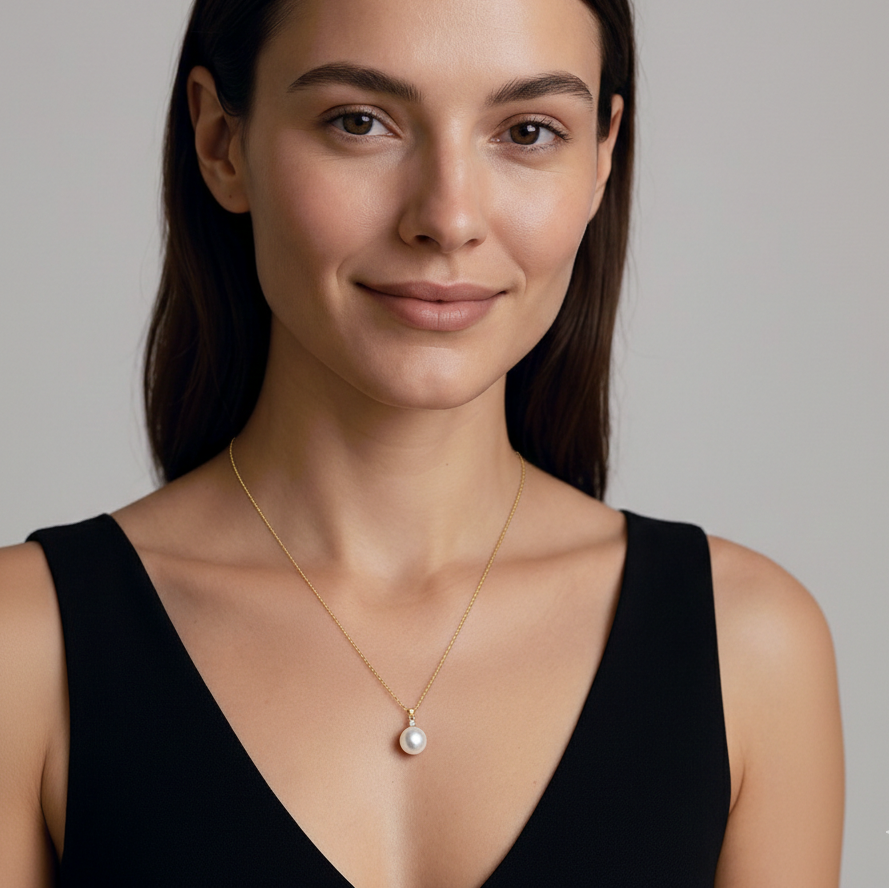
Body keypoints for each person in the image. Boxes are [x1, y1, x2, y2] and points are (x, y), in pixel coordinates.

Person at [0, 0, 844, 886]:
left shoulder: (748, 646)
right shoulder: (24, 648)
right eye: (358, 121)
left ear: (602, 157)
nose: (447, 217)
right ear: (220, 142)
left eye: (526, 130)